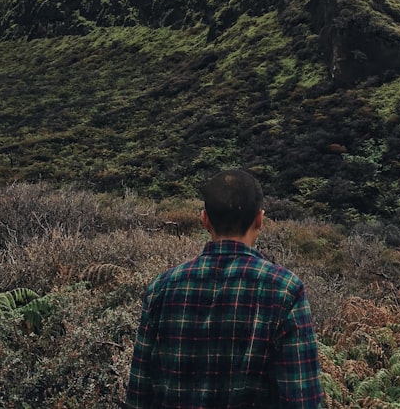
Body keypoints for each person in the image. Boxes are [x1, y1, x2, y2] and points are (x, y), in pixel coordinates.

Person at [125, 169, 325, 408]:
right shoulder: (285, 290)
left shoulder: (162, 287)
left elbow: (138, 395)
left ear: (204, 219)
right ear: (260, 220)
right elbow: (301, 401)